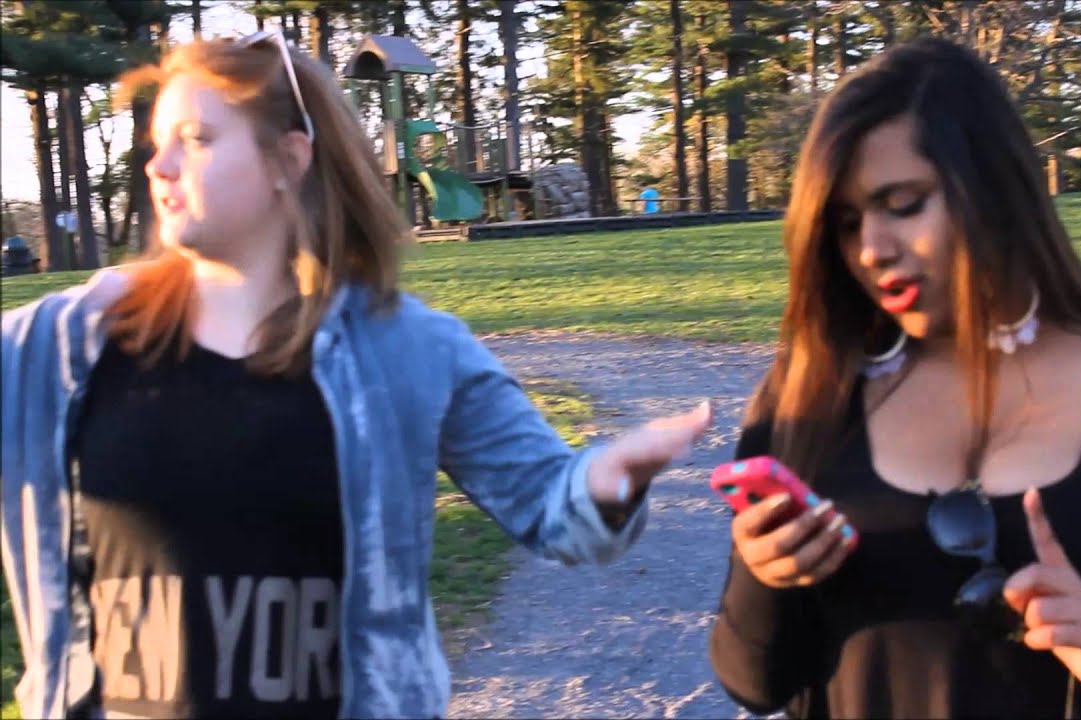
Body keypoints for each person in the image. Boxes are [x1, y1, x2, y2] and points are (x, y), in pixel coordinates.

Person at [1, 32, 711, 720]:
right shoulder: (59, 348)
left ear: (288, 159)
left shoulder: (409, 350)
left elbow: (550, 508)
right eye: (158, 143)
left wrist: (603, 482)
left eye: (197, 139)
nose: (160, 167)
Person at [708, 36, 1081, 719]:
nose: (871, 249)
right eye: (848, 222)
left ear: (994, 188)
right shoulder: (811, 392)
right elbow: (753, 683)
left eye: (904, 203)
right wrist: (763, 579)